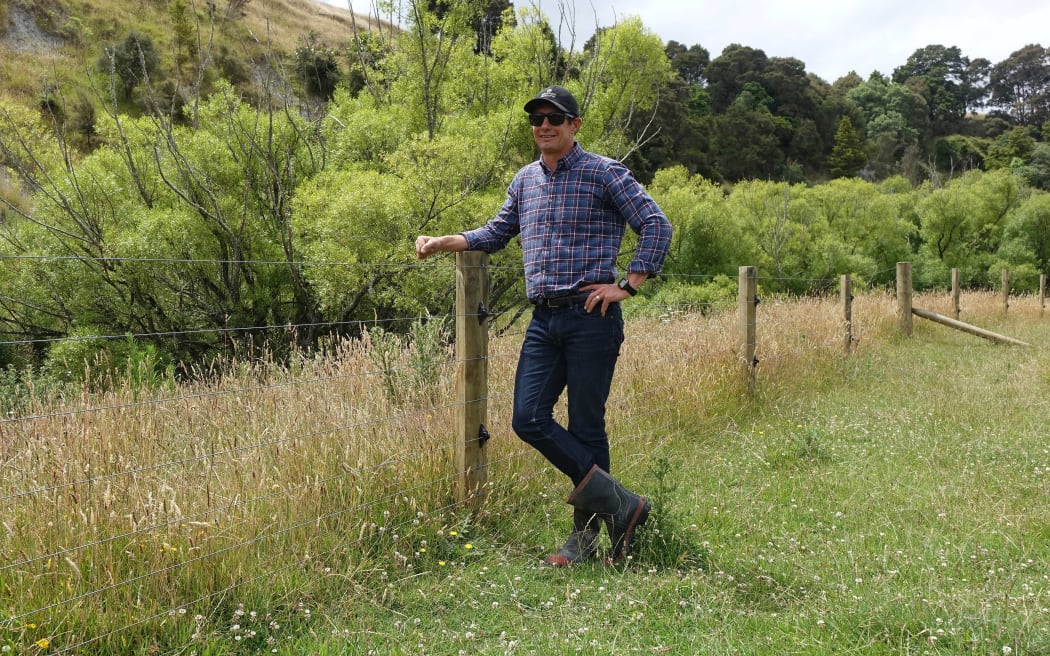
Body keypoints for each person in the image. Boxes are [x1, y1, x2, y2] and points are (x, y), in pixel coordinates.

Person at [415, 85, 672, 566]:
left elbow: (656, 224)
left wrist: (628, 284)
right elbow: (496, 232)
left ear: (575, 125)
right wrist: (445, 240)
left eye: (555, 118)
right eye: (537, 119)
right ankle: (624, 507)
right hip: (544, 318)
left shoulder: (604, 172)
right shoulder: (525, 180)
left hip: (592, 316)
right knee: (528, 418)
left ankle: (586, 541)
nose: (545, 126)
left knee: (587, 426)